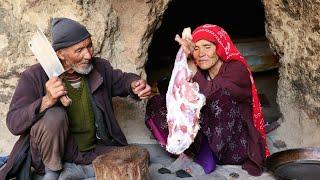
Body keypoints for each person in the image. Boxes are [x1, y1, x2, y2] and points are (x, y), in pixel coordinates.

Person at [0, 17, 151, 180]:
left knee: (140, 156)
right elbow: (14, 123)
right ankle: (53, 172)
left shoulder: (99, 68)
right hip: (54, 154)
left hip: (91, 151)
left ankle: (78, 171)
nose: (88, 55)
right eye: (79, 50)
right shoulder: (34, 76)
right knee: (54, 116)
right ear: (60, 54)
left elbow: (121, 80)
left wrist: (134, 84)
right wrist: (47, 101)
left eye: (90, 46)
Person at [146, 24, 269, 176]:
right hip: (201, 135)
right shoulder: (198, 70)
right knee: (157, 103)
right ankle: (183, 151)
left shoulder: (237, 69)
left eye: (207, 47)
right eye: (196, 48)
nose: (201, 53)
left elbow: (212, 93)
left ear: (219, 49)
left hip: (233, 145)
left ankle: (204, 161)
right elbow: (177, 97)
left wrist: (192, 68)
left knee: (221, 97)